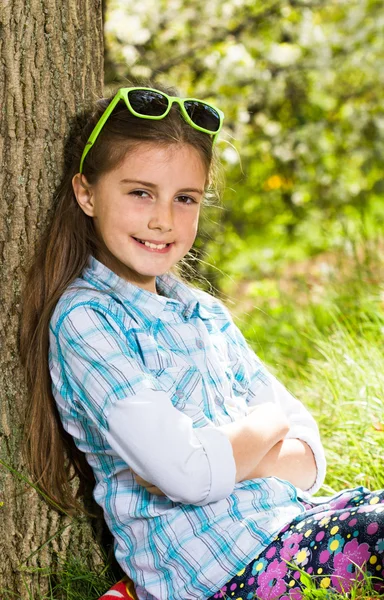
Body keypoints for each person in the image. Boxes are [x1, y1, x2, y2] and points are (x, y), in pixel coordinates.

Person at [19, 82, 384, 600]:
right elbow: (190, 476)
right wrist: (260, 430)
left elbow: (308, 456)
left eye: (184, 198)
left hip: (289, 525)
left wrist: (218, 457)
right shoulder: (87, 321)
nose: (163, 219)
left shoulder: (203, 312)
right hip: (224, 571)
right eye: (140, 192)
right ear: (86, 193)